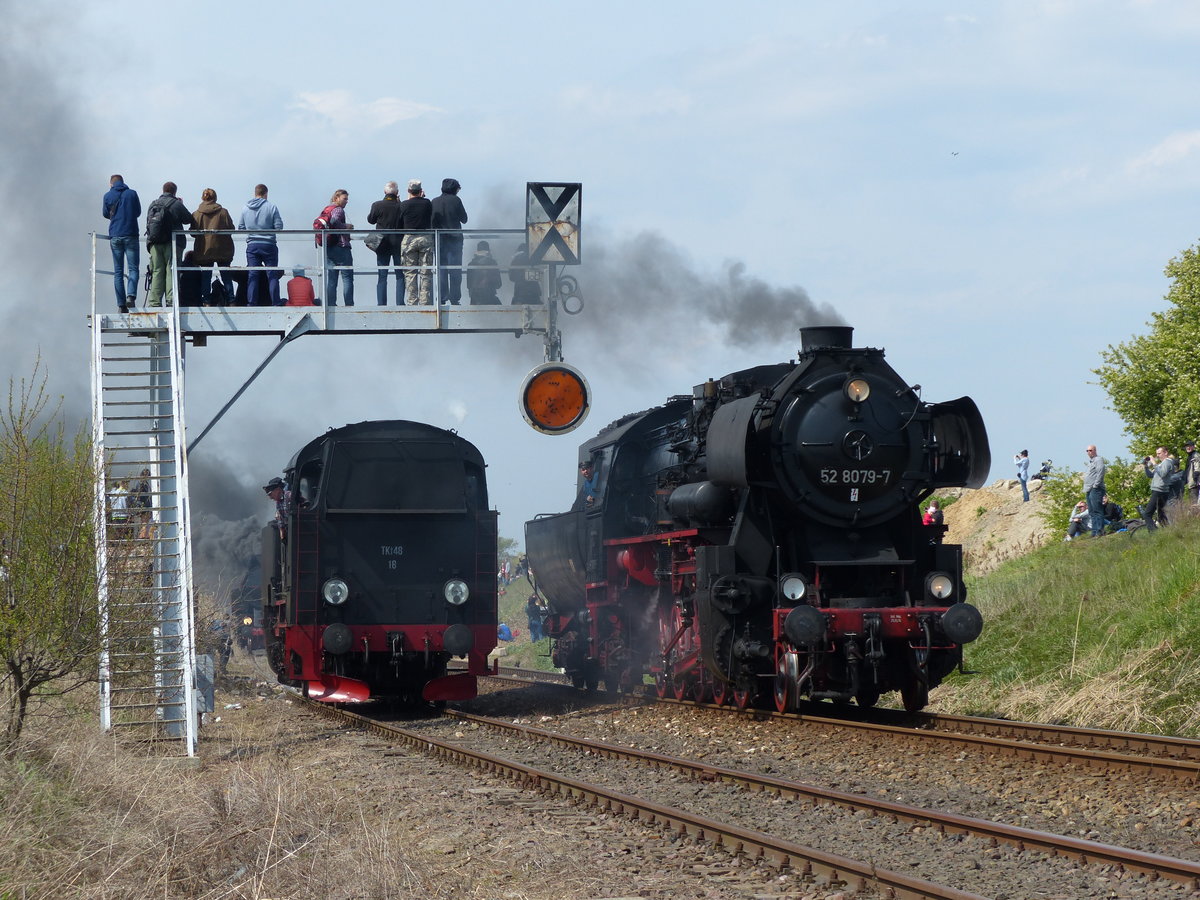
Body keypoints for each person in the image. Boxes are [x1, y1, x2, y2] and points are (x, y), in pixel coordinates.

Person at [145, 182, 191, 308]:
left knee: (157, 271)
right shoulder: (176, 204)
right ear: (174, 192)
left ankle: (154, 302)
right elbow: (188, 219)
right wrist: (180, 205)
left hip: (154, 242)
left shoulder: (153, 204)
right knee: (171, 270)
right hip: (172, 242)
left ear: (163, 190)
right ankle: (171, 301)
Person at [237, 184, 284, 306]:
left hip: (252, 245)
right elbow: (279, 227)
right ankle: (276, 302)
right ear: (266, 194)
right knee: (272, 275)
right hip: (269, 245)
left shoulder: (245, 208)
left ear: (255, 193)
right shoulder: (272, 207)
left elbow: (241, 228)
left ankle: (251, 303)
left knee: (253, 274)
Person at [191, 188, 236, 306]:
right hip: (223, 248)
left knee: (206, 276)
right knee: (226, 275)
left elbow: (192, 233)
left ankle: (206, 301)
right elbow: (231, 229)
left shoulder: (196, 214)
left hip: (204, 249)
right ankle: (231, 300)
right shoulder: (223, 212)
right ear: (215, 198)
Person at [102, 175, 141, 312]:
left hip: (115, 235)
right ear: (123, 182)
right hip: (131, 234)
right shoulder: (132, 193)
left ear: (111, 184)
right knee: (133, 269)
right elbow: (138, 212)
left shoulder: (107, 196)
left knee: (118, 272)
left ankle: (121, 305)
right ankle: (131, 296)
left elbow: (105, 214)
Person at [431, 178, 468, 305]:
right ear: (454, 189)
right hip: (455, 241)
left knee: (441, 269)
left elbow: (431, 223)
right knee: (455, 270)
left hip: (439, 240)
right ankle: (455, 297)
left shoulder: (434, 201)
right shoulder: (456, 200)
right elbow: (464, 219)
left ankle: (442, 297)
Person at [367, 181, 405, 306]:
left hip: (382, 243)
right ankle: (400, 303)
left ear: (385, 192)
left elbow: (371, 220)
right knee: (400, 275)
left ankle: (381, 304)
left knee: (382, 275)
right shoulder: (401, 206)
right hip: (398, 243)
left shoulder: (377, 205)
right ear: (397, 193)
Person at [398, 180, 433, 305]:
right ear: (420, 191)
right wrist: (422, 198)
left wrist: (407, 200)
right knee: (426, 271)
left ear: (408, 191)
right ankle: (425, 302)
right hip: (425, 238)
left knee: (410, 272)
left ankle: (412, 301)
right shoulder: (427, 203)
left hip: (409, 239)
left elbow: (400, 221)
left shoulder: (403, 204)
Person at [321, 189, 355, 306]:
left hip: (329, 247)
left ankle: (331, 304)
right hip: (341, 247)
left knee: (332, 279)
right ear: (336, 198)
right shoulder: (338, 210)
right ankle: (349, 305)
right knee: (347, 278)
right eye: (344, 198)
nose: (347, 201)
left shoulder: (327, 209)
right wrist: (347, 227)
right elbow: (334, 221)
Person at [1142, 446, 1176, 530]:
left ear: (1165, 453)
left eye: (1159, 453)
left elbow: (1163, 473)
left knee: (1147, 514)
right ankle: (1168, 532)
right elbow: (1150, 475)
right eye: (1157, 454)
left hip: (1159, 491)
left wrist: (1154, 463)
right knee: (1161, 515)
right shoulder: (1161, 464)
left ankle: (1154, 534)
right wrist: (1146, 466)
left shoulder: (1167, 462)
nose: (1158, 455)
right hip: (1160, 491)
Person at [1083, 445, 1106, 537]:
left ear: (1095, 450)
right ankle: (1094, 531)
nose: (1089, 452)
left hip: (1095, 489)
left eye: (1090, 450)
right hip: (1089, 489)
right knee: (1091, 511)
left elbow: (1101, 472)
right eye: (1087, 450)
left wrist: (1096, 485)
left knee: (1097, 510)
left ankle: (1100, 530)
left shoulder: (1098, 460)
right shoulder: (1091, 462)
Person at [1184, 440, 1200, 504]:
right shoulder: (1190, 456)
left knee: (1194, 503)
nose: (1188, 448)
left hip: (1195, 483)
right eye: (1187, 446)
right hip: (1192, 483)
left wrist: (1195, 478)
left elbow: (1197, 468)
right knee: (1193, 502)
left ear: (1193, 447)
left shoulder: (1195, 455)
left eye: (1190, 446)